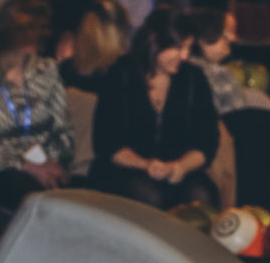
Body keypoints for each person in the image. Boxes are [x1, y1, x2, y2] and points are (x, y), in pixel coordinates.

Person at [88, 11, 219, 210]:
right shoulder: (121, 74)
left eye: (188, 48)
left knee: (200, 196)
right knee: (146, 195)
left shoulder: (194, 79)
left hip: (178, 171)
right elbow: (108, 142)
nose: (184, 56)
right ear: (154, 43)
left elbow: (207, 140)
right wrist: (146, 165)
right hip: (126, 169)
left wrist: (180, 166)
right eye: (177, 47)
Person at [0, 0, 77, 227]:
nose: (37, 39)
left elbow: (64, 131)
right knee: (34, 200)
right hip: (0, 169)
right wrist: (25, 164)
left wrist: (49, 161)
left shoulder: (46, 70)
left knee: (79, 202)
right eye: (28, 32)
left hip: (47, 164)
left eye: (40, 31)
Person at [189, 7, 270, 115]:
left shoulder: (180, 67)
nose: (233, 38)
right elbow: (236, 118)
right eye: (226, 33)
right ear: (204, 39)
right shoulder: (218, 74)